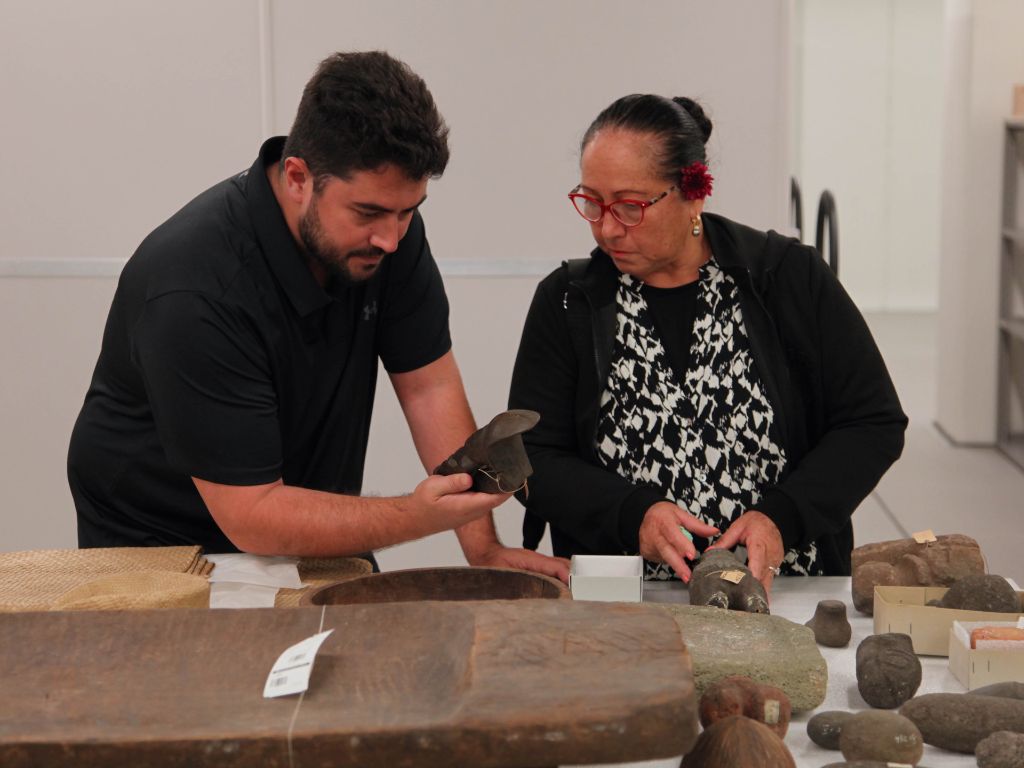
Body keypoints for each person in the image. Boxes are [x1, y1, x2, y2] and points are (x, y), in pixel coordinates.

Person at [67, 51, 567, 581]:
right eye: (369, 213)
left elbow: (429, 387)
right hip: (159, 545)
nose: (392, 238)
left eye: (409, 210)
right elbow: (254, 516)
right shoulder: (195, 288)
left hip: (289, 513)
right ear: (298, 177)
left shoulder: (386, 238)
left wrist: (483, 549)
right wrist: (417, 516)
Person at [508, 94, 906, 591]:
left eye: (630, 207)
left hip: (784, 591)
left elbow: (871, 422)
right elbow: (531, 456)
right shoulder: (568, 301)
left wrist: (782, 517)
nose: (607, 229)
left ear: (694, 191)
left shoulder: (784, 279)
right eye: (591, 202)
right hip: (623, 599)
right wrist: (633, 514)